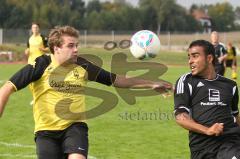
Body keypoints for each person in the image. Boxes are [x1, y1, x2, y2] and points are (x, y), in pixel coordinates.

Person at [0, 26, 172, 159]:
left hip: (75, 128)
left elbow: (116, 80)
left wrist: (151, 84)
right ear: (56, 48)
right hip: (45, 132)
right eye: (71, 46)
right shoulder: (41, 65)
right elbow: (7, 87)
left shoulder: (82, 65)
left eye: (77, 45)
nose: (76, 49)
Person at [174, 40, 240, 159]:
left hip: (230, 142)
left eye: (195, 56)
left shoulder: (230, 85)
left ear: (209, 58)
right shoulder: (186, 81)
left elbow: (235, 116)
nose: (190, 61)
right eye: (189, 57)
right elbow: (180, 117)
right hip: (202, 148)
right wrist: (207, 130)